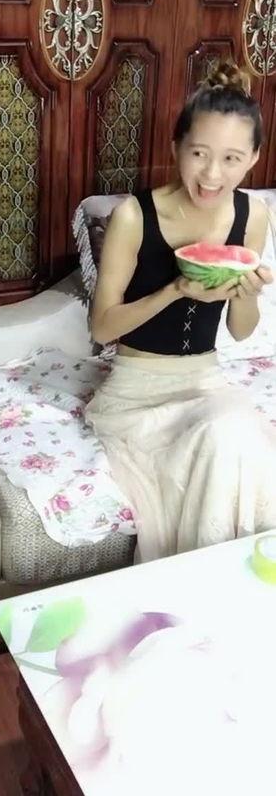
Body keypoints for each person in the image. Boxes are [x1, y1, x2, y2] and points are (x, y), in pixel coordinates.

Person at [85, 62, 276, 563]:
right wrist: (175, 290)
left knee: (235, 436)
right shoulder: (134, 216)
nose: (212, 174)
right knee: (225, 434)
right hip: (135, 392)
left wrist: (248, 293)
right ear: (176, 147)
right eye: (199, 154)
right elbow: (101, 326)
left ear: (254, 158)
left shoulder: (253, 215)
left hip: (207, 385)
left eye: (231, 158)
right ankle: (204, 582)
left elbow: (241, 331)